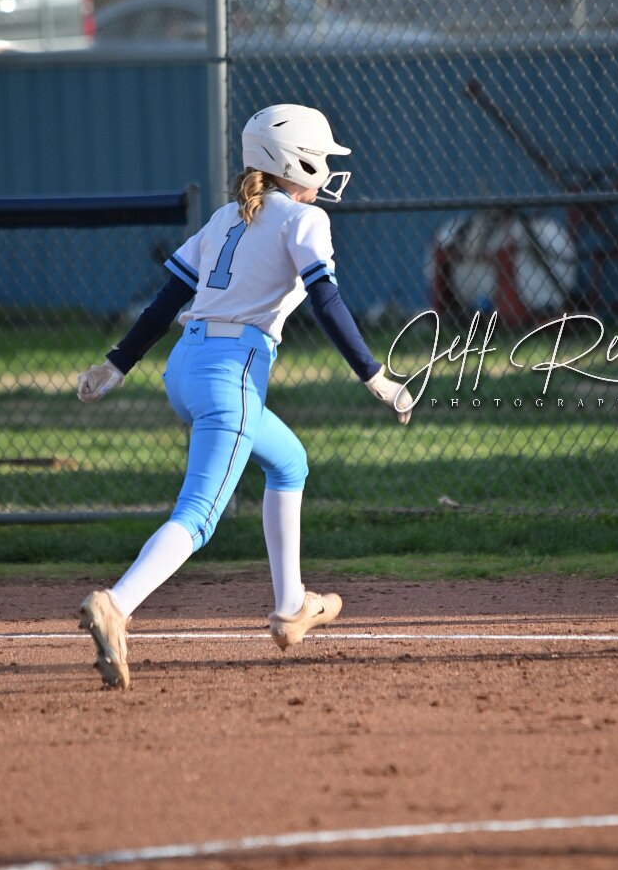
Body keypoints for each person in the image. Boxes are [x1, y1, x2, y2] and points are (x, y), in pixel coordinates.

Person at [76, 104, 412, 690]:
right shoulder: (304, 219)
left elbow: (167, 301)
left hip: (187, 369)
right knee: (200, 515)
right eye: (320, 158)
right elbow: (327, 301)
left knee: (289, 462)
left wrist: (118, 362)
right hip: (231, 372)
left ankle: (291, 608)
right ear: (295, 162)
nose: (326, 169)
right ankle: (116, 603)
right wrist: (373, 374)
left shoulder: (225, 217)